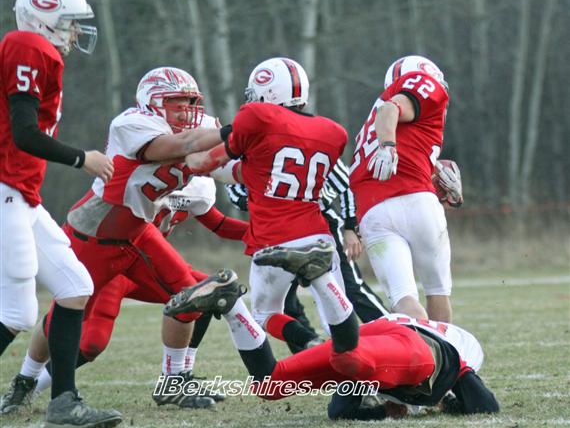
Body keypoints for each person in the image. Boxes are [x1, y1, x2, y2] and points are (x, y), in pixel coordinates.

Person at [178, 57, 368, 373]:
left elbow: (205, 163)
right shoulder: (332, 131)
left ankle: (307, 340)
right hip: (317, 233)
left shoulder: (258, 117)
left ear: (267, 91)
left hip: (273, 238)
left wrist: (183, 154)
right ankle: (324, 290)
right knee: (334, 307)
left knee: (264, 315)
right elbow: (258, 169)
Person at [1, 176, 247, 411]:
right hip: (115, 257)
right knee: (90, 341)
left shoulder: (199, 182)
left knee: (202, 293)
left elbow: (219, 223)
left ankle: (178, 377)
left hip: (145, 260)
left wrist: (262, 233)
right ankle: (26, 383)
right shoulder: (148, 159)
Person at [0, 0, 121, 427]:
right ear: (43, 18)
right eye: (69, 23)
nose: (74, 33)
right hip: (5, 189)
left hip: (21, 195)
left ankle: (64, 403)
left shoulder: (36, 51)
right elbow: (24, 133)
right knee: (18, 312)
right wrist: (81, 158)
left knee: (74, 286)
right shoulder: (27, 45)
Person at [165, 279, 499, 420]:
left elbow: (340, 410)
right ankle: (323, 276)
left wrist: (383, 412)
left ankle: (231, 303)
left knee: (271, 384)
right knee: (349, 358)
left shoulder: (383, 376)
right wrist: (445, 402)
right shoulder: (462, 358)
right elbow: (487, 407)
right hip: (419, 350)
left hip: (378, 335)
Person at [225, 158, 390, 353]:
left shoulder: (312, 142)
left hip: (318, 223)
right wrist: (271, 201)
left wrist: (350, 225)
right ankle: (311, 353)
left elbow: (344, 182)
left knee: (349, 290)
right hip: (275, 231)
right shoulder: (244, 153)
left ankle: (394, 334)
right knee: (283, 306)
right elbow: (235, 193)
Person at [349, 55, 463, 323]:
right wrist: (388, 146)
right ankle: (444, 350)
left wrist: (442, 185)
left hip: (373, 213)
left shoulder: (368, 131)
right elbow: (391, 108)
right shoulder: (419, 84)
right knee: (437, 292)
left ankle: (423, 348)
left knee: (404, 300)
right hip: (415, 200)